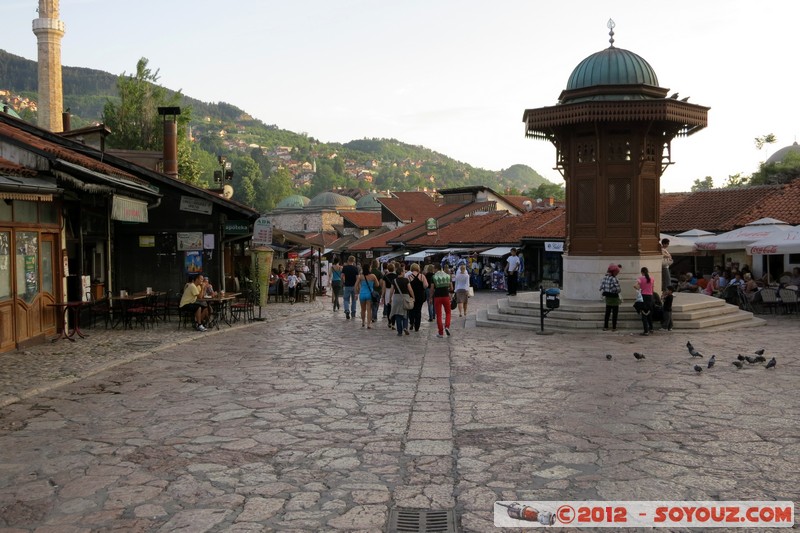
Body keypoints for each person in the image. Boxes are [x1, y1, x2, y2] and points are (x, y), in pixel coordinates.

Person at [431, 263, 453, 338]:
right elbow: (451, 288)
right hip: (446, 296)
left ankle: (440, 332)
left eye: (434, 268)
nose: (433, 270)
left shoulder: (434, 277)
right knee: (448, 312)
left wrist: (430, 297)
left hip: (437, 296)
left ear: (436, 269)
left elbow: (432, 288)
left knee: (439, 314)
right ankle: (447, 326)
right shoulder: (447, 276)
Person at [354, 262, 379, 328]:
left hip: (362, 294)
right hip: (369, 294)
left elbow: (355, 285)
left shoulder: (360, 276)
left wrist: (356, 292)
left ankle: (363, 322)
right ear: (369, 268)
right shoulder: (373, 276)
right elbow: (377, 284)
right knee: (369, 310)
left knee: (363, 309)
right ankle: (368, 324)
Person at [599, 263, 622, 331]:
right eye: (617, 272)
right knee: (614, 313)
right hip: (614, 298)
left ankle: (606, 326)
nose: (617, 273)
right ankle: (614, 327)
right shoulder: (614, 279)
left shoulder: (605, 277)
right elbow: (618, 289)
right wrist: (618, 290)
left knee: (607, 313)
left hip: (608, 298)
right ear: (614, 272)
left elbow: (601, 287)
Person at [407, 263, 429, 332]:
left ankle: (411, 322)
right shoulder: (422, 276)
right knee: (418, 310)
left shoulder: (409, 277)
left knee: (411, 310)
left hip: (411, 295)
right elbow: (426, 285)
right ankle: (417, 326)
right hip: (420, 295)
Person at [635, 266, 655, 336]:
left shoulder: (640, 278)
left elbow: (635, 285)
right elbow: (652, 288)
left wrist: (639, 289)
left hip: (643, 296)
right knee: (649, 313)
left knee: (644, 314)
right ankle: (651, 328)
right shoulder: (652, 278)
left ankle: (646, 331)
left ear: (642, 272)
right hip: (650, 297)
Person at [341, 255, 359, 320]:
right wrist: (357, 286)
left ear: (348, 260)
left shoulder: (345, 268)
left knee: (346, 299)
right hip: (354, 286)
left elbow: (342, 276)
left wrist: (343, 281)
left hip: (347, 285)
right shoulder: (355, 268)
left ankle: (347, 310)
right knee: (354, 300)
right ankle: (353, 313)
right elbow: (357, 278)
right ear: (353, 261)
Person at [382, 262, 398, 329]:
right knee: (394, 308)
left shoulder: (385, 276)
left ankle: (389, 321)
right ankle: (393, 323)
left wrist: (382, 295)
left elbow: (383, 287)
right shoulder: (396, 276)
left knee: (388, 307)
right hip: (395, 292)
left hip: (388, 291)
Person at [370, 259, 384, 323]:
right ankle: (374, 317)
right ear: (377, 265)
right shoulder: (379, 273)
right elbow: (381, 282)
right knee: (376, 304)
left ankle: (372, 315)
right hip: (377, 290)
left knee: (371, 303)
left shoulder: (370, 272)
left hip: (370, 289)